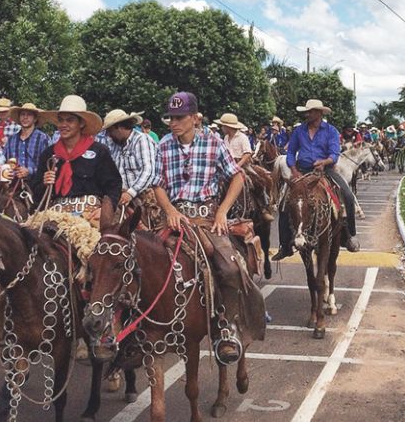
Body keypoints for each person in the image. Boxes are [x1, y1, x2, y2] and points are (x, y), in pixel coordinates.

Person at [154, 91, 264, 364]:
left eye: (179, 118)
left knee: (228, 267)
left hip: (206, 219)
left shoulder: (214, 143)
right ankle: (144, 328)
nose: (173, 123)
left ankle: (226, 326)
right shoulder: (164, 145)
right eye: (171, 118)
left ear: (194, 118)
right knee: (141, 260)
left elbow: (236, 177)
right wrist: (169, 211)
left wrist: (223, 211)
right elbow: (157, 184)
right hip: (175, 218)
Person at [273, 99, 360, 261]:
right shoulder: (299, 131)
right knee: (284, 203)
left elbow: (334, 153)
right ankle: (285, 245)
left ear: (319, 113)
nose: (308, 114)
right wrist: (294, 169)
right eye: (307, 111)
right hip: (302, 170)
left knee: (347, 195)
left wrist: (325, 162)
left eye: (311, 111)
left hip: (325, 170)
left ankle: (349, 236)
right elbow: (291, 152)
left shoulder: (331, 131)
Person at [33, 95, 121, 226]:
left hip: (89, 213)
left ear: (81, 123)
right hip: (55, 215)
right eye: (61, 120)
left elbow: (114, 185)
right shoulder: (49, 154)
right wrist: (44, 184)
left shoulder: (99, 151)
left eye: (69, 120)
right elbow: (36, 194)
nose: (63, 125)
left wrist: (106, 208)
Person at [215, 112, 274, 223]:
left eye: (223, 125)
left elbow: (247, 153)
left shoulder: (242, 137)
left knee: (258, 180)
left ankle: (263, 208)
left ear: (228, 127)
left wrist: (237, 165)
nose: (221, 127)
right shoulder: (225, 138)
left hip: (242, 163)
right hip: (228, 164)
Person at [99, 108, 158, 207]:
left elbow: (148, 171)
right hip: (119, 195)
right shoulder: (115, 144)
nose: (109, 135)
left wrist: (131, 193)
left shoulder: (141, 140)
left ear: (119, 127)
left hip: (140, 195)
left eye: (110, 131)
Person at [3, 103, 50, 180]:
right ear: (19, 118)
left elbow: (47, 165)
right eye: (22, 114)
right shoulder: (11, 140)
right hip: (14, 183)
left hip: (36, 183)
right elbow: (4, 162)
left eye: (29, 115)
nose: (25, 117)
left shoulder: (43, 139)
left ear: (35, 119)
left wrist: (29, 171)